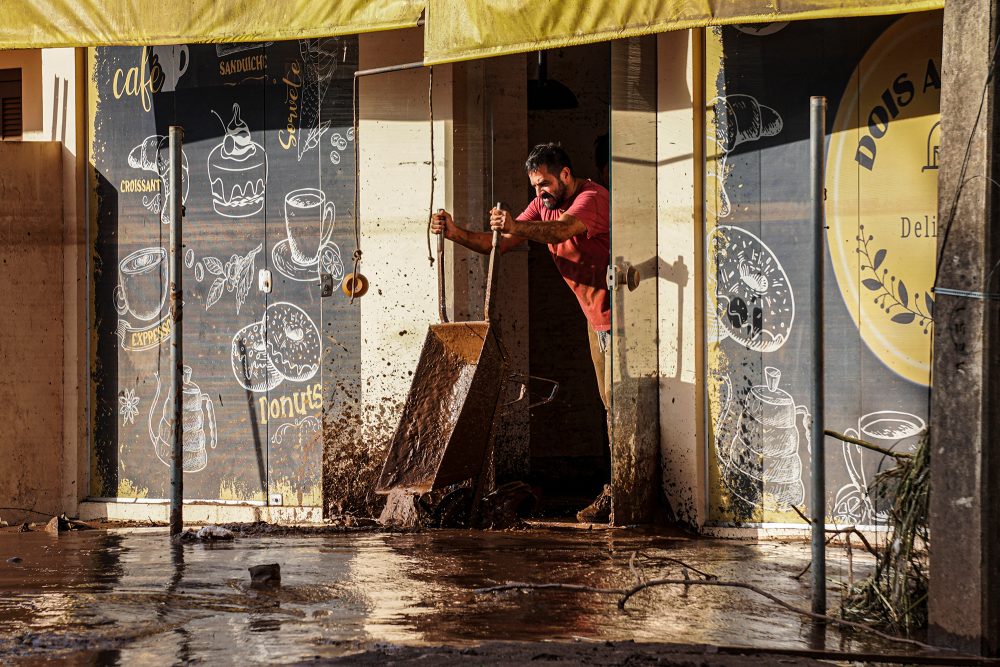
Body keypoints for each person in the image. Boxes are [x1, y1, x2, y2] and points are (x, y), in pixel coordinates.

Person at [430, 142, 613, 523]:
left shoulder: (592, 197)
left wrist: (518, 225)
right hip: (596, 317)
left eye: (545, 183)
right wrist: (454, 232)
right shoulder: (543, 205)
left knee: (619, 405)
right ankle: (616, 489)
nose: (539, 193)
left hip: (623, 317)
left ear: (565, 175)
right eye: (534, 186)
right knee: (608, 403)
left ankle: (621, 492)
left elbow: (560, 230)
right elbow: (497, 243)